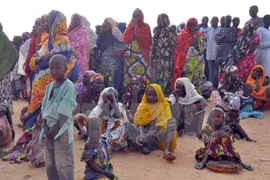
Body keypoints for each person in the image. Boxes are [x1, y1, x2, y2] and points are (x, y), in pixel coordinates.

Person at [23, 10, 79, 128]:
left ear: (55, 24)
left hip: (53, 79)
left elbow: (50, 62)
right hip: (43, 81)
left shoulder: (62, 39)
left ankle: (41, 125)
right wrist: (40, 59)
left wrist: (40, 60)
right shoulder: (49, 40)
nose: (44, 25)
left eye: (47, 22)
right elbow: (35, 60)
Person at [41, 54, 77, 180]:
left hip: (61, 130)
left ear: (65, 69)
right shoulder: (50, 86)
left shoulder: (68, 86)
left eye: (58, 68)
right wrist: (45, 126)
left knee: (63, 162)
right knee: (51, 162)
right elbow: (44, 107)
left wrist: (55, 129)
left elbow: (65, 109)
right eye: (51, 68)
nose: (54, 71)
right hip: (48, 129)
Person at [127, 84, 177, 160]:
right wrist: (142, 134)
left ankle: (166, 150)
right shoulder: (143, 105)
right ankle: (144, 145)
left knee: (172, 121)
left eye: (154, 95)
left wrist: (151, 134)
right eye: (149, 94)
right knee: (127, 125)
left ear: (159, 95)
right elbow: (139, 122)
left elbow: (162, 123)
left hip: (158, 135)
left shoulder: (164, 105)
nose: (151, 97)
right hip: (144, 132)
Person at [171, 18, 205, 94]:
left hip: (198, 63)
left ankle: (196, 98)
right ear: (187, 25)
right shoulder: (183, 36)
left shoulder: (200, 36)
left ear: (196, 26)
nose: (192, 27)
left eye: (194, 25)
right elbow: (178, 50)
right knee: (186, 81)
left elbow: (201, 49)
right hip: (186, 64)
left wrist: (194, 36)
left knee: (197, 81)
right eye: (190, 25)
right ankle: (186, 97)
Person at [121, 8, 152, 88]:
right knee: (128, 76)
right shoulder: (129, 26)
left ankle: (143, 93)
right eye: (133, 16)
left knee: (142, 76)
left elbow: (142, 38)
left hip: (142, 57)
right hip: (129, 58)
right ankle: (128, 94)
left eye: (137, 16)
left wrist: (135, 26)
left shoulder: (145, 26)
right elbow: (125, 40)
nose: (135, 18)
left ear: (141, 17)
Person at [95, 19, 127, 88]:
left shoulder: (112, 39)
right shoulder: (99, 39)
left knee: (109, 84)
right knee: (99, 84)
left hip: (109, 65)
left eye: (105, 27)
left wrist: (115, 52)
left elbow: (124, 46)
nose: (102, 28)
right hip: (100, 65)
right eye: (102, 27)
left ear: (109, 28)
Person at [74, 73, 104, 140]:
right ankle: (85, 133)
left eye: (102, 83)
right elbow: (80, 110)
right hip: (87, 119)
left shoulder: (104, 95)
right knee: (78, 117)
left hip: (100, 119)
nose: (100, 85)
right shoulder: (83, 95)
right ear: (91, 84)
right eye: (98, 83)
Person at [151, 13, 175, 95]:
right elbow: (154, 46)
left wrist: (172, 60)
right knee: (158, 78)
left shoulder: (169, 32)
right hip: (158, 59)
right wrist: (152, 58)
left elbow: (173, 46)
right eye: (157, 20)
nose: (157, 22)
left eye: (159, 20)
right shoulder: (156, 32)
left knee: (165, 79)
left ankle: (163, 96)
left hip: (166, 59)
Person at [214, 15, 237, 87]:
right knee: (218, 67)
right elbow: (216, 39)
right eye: (226, 20)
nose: (227, 22)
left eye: (229, 20)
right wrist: (223, 37)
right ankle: (218, 84)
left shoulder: (233, 29)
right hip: (220, 50)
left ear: (231, 21)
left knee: (227, 67)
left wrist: (221, 37)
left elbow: (230, 39)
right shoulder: (222, 29)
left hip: (228, 51)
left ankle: (227, 84)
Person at [0, 23, 17, 115]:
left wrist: (8, 66)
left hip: (5, 69)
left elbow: (13, 54)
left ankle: (7, 112)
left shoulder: (1, 36)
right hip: (4, 69)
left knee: (5, 92)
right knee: (5, 92)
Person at [68, 13, 89, 82]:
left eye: (77, 20)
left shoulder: (83, 31)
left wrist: (67, 45)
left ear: (80, 21)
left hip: (80, 58)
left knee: (79, 78)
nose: (75, 21)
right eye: (73, 19)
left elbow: (81, 43)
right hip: (69, 57)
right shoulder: (69, 30)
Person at [206, 17, 221, 87]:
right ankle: (210, 84)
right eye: (211, 21)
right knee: (210, 70)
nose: (211, 22)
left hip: (217, 53)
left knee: (216, 70)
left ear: (217, 22)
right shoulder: (209, 33)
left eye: (213, 21)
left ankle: (215, 84)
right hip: (209, 53)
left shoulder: (220, 31)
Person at [199, 16, 213, 80]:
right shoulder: (200, 29)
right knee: (202, 64)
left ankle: (208, 78)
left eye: (204, 20)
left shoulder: (210, 29)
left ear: (207, 21)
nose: (203, 22)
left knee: (207, 65)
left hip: (207, 48)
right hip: (201, 49)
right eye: (202, 20)